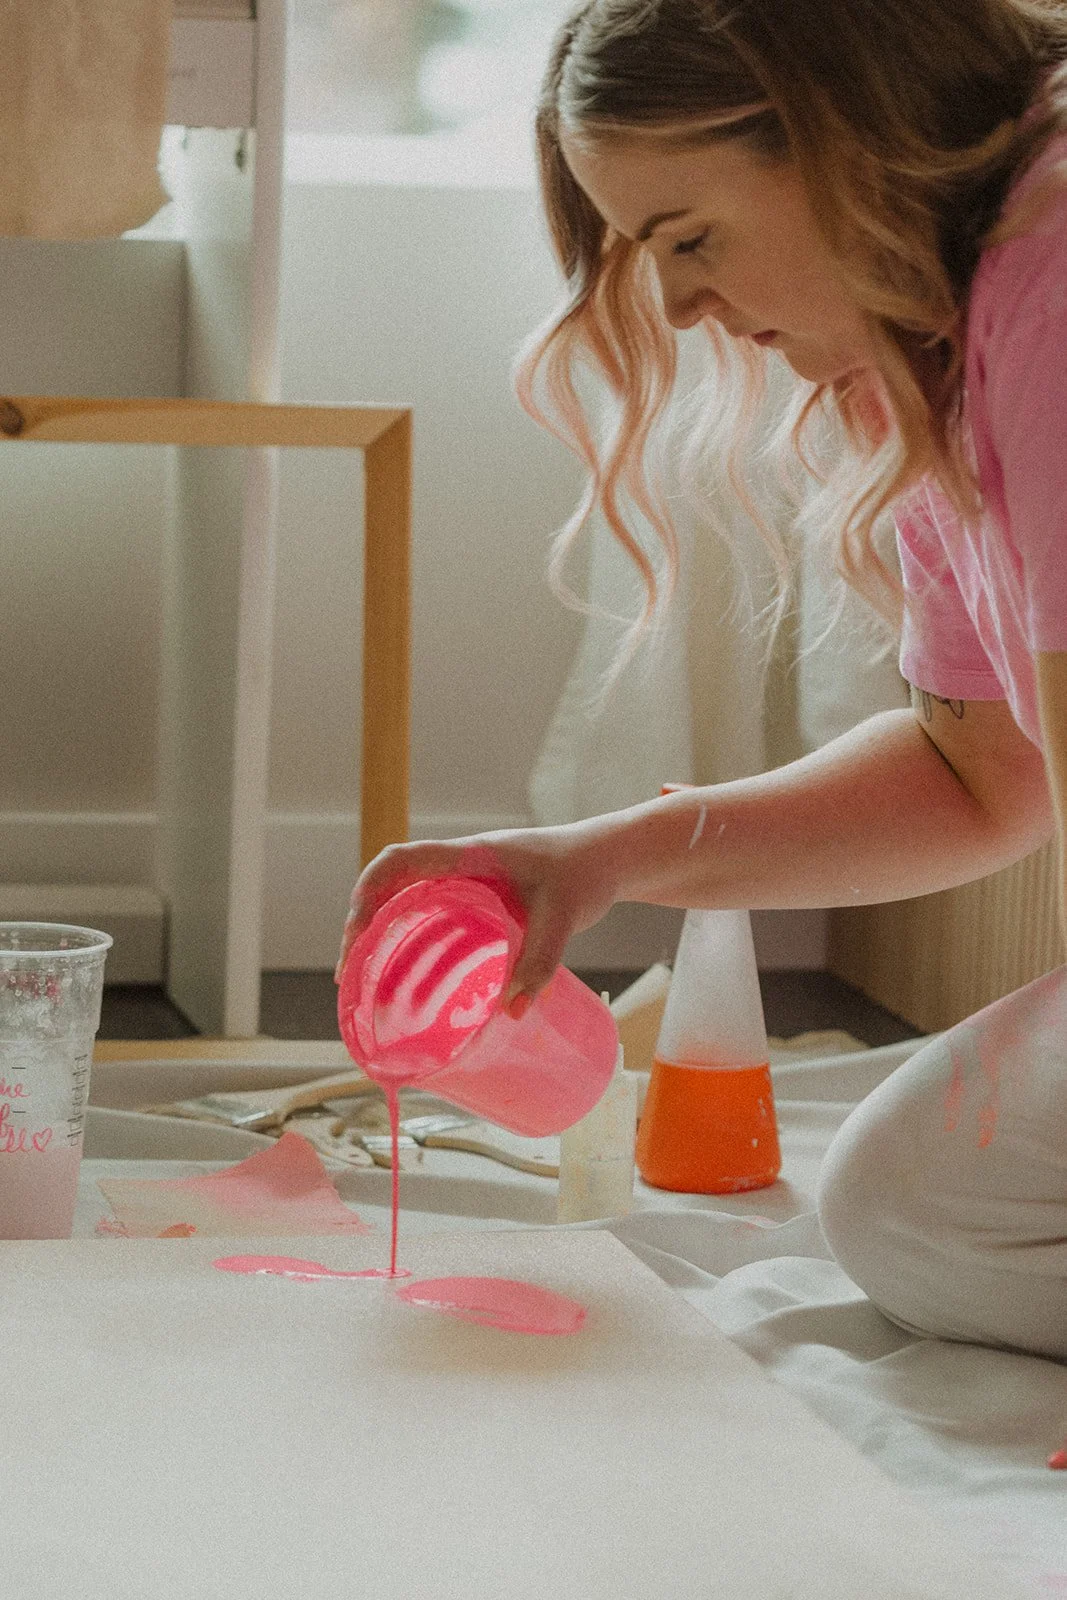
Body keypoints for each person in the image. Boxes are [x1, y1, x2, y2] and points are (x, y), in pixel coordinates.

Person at [337, 0, 1067, 1359]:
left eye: (689, 239)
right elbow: (982, 781)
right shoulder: (922, 350)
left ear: (847, 142)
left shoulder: (1053, 272)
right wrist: (591, 858)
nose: (673, 305)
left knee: (937, 1215)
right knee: (911, 1210)